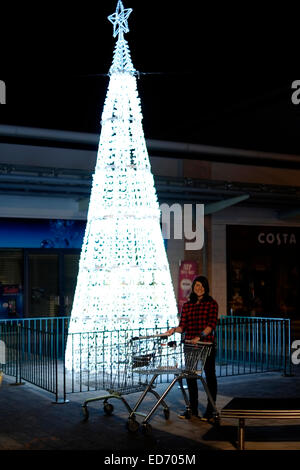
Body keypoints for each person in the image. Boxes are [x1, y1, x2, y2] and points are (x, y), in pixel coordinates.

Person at [165, 275, 218, 421]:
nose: (198, 288)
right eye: (196, 286)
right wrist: (174, 330)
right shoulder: (188, 305)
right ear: (193, 288)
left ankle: (210, 410)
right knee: (190, 376)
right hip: (189, 345)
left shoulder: (211, 303)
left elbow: (211, 324)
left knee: (210, 376)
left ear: (205, 288)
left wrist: (199, 337)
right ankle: (193, 409)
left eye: (201, 286)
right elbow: (183, 326)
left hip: (206, 345)